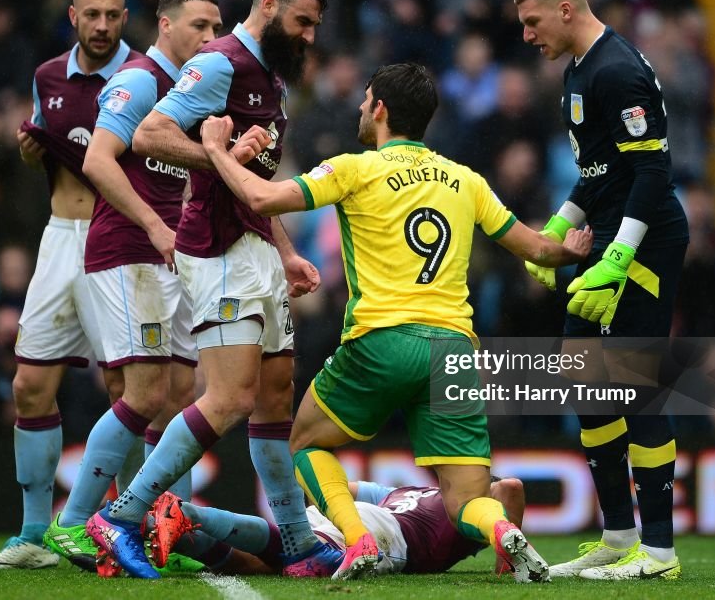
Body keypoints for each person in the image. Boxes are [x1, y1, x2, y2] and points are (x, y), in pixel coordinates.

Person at [198, 62, 591, 582]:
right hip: (453, 348)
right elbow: (537, 247)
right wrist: (570, 251)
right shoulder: (465, 180)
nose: (361, 108)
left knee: (303, 444)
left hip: (381, 340)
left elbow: (261, 198)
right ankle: (503, 532)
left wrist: (214, 152)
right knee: (466, 500)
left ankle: (356, 539)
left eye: (365, 101)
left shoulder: (353, 169)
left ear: (379, 109)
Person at [84, 0, 336, 580]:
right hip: (216, 249)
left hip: (253, 247)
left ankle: (299, 543)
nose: (310, 36)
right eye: (303, 21)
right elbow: (149, 134)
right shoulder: (220, 62)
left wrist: (284, 251)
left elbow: (254, 181)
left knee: (276, 394)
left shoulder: (271, 77)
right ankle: (122, 516)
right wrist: (216, 153)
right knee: (230, 396)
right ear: (271, 6)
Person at [41, 0, 223, 575]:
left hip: (170, 256)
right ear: (165, 27)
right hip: (128, 253)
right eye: (199, 26)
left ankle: (169, 524)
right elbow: (97, 160)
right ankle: (72, 522)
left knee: (178, 399)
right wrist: (154, 225)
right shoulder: (141, 80)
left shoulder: (190, 94)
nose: (212, 38)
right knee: (143, 394)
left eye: (217, 27)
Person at [513, 0, 688, 580]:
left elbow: (652, 174)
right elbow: (604, 173)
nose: (527, 35)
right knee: (583, 381)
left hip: (646, 239)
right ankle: (618, 535)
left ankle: (659, 551)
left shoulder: (617, 70)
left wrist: (619, 256)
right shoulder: (580, 73)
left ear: (565, 9)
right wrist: (559, 227)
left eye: (532, 21)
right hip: (613, 233)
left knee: (632, 384)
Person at [0, 0, 142, 571]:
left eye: (112, 15)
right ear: (72, 15)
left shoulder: (145, 77)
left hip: (118, 240)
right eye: (90, 14)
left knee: (126, 391)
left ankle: (124, 527)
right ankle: (34, 536)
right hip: (58, 240)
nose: (100, 26)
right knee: (28, 386)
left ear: (125, 17)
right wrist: (28, 151)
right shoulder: (46, 75)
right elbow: (41, 143)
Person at [149, 477, 526, 576]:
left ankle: (151, 527)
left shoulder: (406, 491)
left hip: (349, 515)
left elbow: (340, 488)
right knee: (311, 561)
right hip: (379, 536)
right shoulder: (473, 507)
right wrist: (507, 562)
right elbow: (509, 487)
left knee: (258, 565)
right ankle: (188, 514)